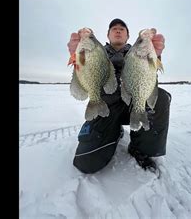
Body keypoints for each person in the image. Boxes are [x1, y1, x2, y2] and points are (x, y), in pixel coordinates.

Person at [67, 18, 171, 174]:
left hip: (132, 105)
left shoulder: (137, 52)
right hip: (105, 108)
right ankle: (114, 131)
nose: (118, 30)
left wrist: (156, 57)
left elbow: (147, 77)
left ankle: (140, 148)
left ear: (128, 36)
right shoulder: (96, 51)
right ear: (108, 35)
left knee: (161, 97)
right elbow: (81, 69)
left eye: (122, 29)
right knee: (86, 163)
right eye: (114, 28)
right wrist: (76, 56)